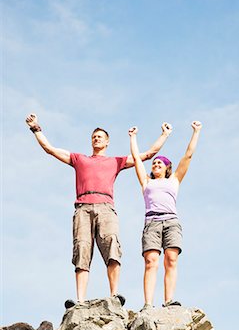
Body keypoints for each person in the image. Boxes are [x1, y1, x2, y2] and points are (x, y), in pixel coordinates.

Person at [25, 113, 172, 309]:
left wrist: (165, 134)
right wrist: (35, 127)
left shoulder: (115, 161)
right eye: (94, 136)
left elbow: (147, 154)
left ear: (107, 142)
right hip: (83, 208)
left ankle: (114, 295)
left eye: (100, 136)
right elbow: (50, 149)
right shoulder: (79, 159)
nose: (96, 139)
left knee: (111, 246)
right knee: (82, 250)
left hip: (106, 207)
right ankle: (80, 301)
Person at [128, 121, 202, 310]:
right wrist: (133, 138)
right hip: (152, 222)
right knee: (151, 262)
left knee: (171, 259)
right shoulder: (146, 182)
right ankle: (148, 304)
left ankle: (169, 301)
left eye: (159, 163)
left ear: (167, 167)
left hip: (171, 221)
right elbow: (137, 159)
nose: (156, 165)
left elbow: (188, 155)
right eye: (154, 163)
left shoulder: (174, 180)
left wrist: (196, 131)